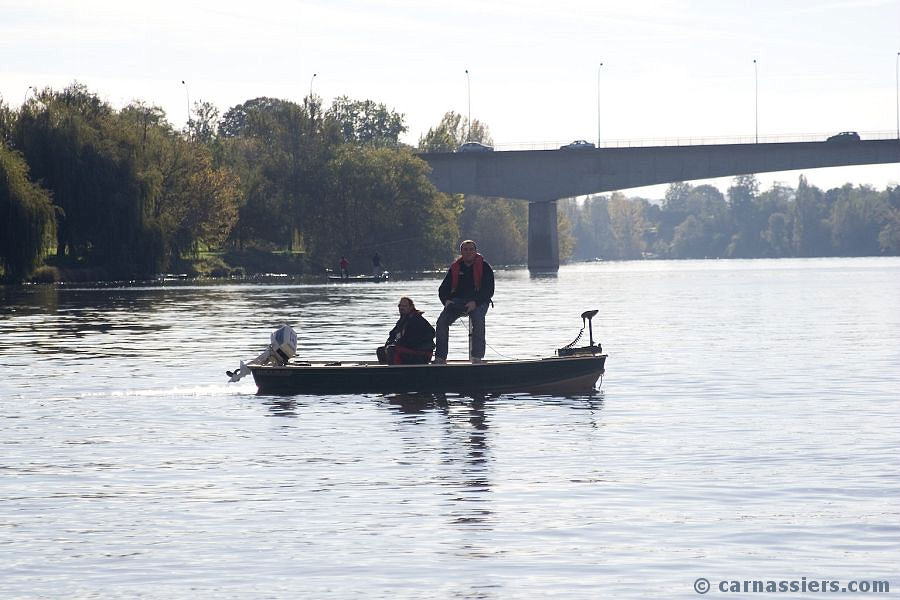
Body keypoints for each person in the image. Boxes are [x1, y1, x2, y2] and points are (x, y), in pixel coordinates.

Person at [434, 240, 495, 364]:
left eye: (471, 249)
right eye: (465, 250)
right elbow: (443, 289)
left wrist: (475, 303)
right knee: (441, 322)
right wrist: (446, 301)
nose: (468, 252)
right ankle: (440, 357)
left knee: (478, 319)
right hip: (458, 302)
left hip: (478, 301)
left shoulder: (485, 267)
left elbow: (489, 291)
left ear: (475, 251)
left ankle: (477, 357)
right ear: (461, 252)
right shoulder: (455, 267)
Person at [377, 297, 436, 365]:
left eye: (404, 306)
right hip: (408, 351)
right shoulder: (402, 321)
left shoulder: (417, 320)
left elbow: (431, 333)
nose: (401, 308)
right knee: (381, 351)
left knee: (392, 350)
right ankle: (384, 371)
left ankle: (395, 372)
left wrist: (397, 345)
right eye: (400, 306)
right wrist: (388, 344)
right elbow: (392, 335)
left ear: (411, 307)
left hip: (421, 354)